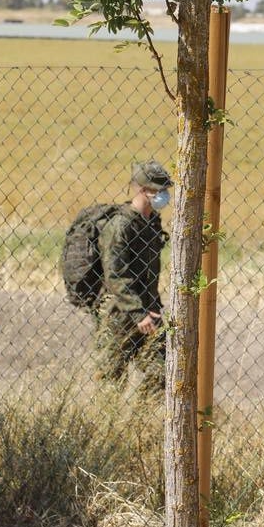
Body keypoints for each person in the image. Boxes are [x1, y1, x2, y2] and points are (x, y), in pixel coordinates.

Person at [93, 160, 171, 401]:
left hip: (148, 311)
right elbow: (115, 275)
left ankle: (137, 422)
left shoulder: (151, 224)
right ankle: (110, 430)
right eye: (158, 190)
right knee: (111, 379)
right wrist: (139, 314)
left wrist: (152, 308)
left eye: (165, 190)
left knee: (162, 373)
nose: (163, 195)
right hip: (120, 312)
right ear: (141, 189)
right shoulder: (121, 226)